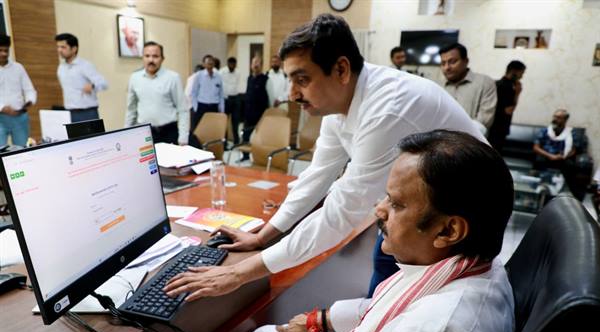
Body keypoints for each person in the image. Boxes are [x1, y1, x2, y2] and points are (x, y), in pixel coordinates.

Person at [163, 14, 485, 304]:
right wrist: (263, 236)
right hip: (419, 211)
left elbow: (340, 213)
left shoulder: (386, 109)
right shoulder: (339, 105)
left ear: (341, 69)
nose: (292, 94)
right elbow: (317, 175)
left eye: (302, 80)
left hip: (459, 219)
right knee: (381, 298)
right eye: (290, 80)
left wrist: (239, 273)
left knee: (406, 310)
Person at [185, 131, 515, 332]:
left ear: (448, 231)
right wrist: (321, 319)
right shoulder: (475, 265)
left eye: (396, 204)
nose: (379, 209)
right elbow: (387, 311)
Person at [125, 41, 189, 145]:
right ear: (142, 58)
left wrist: (183, 137)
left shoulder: (173, 78)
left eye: (155, 56)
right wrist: (126, 135)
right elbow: (131, 109)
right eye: (147, 56)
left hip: (169, 132)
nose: (151, 60)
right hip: (144, 133)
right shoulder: (134, 78)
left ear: (162, 58)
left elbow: (183, 110)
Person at [439, 43, 497, 135]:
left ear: (466, 61)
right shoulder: (438, 86)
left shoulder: (485, 83)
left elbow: (483, 121)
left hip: (472, 140)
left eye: (452, 62)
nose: (447, 67)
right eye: (443, 63)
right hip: (439, 140)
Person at [55, 33, 108, 122]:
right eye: (58, 47)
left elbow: (104, 83)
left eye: (63, 47)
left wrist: (92, 86)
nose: (59, 50)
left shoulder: (85, 65)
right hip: (69, 113)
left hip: (87, 113)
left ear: (74, 49)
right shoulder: (61, 68)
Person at [0, 34, 37, 147]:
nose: (4, 54)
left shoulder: (18, 68)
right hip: (0, 119)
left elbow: (29, 90)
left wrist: (29, 101)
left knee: (23, 150)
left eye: (6, 50)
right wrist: (2, 108)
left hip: (20, 117)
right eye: (0, 50)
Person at [533, 109, 577, 194]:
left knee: (569, 165)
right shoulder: (545, 131)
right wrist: (550, 156)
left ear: (565, 120)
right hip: (545, 157)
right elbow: (536, 147)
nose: (555, 119)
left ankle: (563, 193)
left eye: (559, 117)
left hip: (562, 159)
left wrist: (563, 156)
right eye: (554, 116)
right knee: (539, 160)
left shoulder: (571, 133)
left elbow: (573, 150)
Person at [487, 60, 526, 152]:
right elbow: (509, 110)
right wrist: (517, 93)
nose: (522, 76)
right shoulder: (508, 87)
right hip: (499, 127)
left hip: (492, 126)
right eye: (521, 73)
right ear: (514, 71)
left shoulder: (496, 83)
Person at [238, 55, 269, 161]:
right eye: (253, 63)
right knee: (245, 135)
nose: (255, 65)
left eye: (257, 63)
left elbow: (270, 97)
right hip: (249, 113)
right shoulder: (249, 78)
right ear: (251, 65)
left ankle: (262, 158)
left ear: (261, 65)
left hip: (261, 114)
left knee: (261, 138)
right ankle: (245, 156)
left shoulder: (266, 79)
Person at [190, 54, 225, 136]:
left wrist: (222, 109)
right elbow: (194, 92)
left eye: (212, 63)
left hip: (214, 107)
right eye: (208, 63)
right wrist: (196, 107)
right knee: (199, 130)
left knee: (213, 129)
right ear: (204, 64)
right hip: (202, 106)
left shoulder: (218, 76)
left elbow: (221, 94)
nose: (210, 65)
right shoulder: (199, 75)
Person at [220, 57, 242, 144]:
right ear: (228, 64)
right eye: (231, 64)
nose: (232, 66)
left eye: (234, 64)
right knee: (224, 121)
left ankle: (236, 141)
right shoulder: (222, 72)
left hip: (236, 98)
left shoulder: (238, 72)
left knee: (235, 121)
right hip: (226, 99)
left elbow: (239, 84)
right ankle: (224, 142)